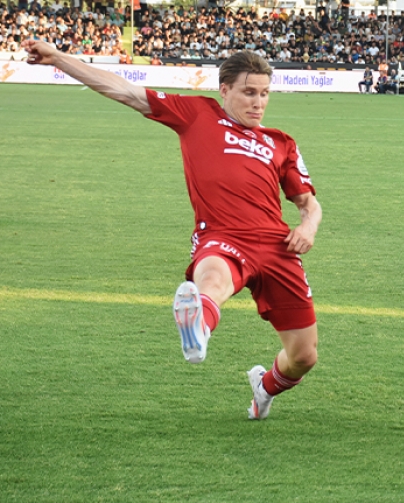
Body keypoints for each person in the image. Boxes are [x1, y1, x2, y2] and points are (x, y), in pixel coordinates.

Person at [22, 41, 323, 421]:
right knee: (212, 279)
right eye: (249, 93)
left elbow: (308, 203)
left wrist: (308, 227)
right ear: (225, 89)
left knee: (304, 356)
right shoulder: (197, 115)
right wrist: (58, 59)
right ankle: (198, 327)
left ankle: (264, 387)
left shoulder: (281, 142)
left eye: (264, 94)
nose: (258, 103)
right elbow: (125, 90)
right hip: (222, 236)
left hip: (278, 247)